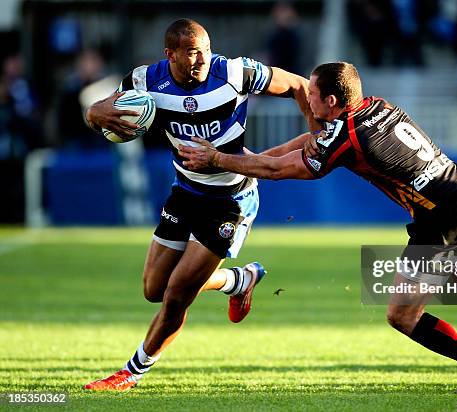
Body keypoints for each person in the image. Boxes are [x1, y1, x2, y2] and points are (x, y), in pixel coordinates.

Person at [178, 61, 457, 394]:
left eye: (311, 94)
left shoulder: (348, 137)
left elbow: (280, 170)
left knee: (402, 315)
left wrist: (217, 159)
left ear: (330, 101)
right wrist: (250, 159)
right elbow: (309, 143)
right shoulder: (376, 107)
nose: (305, 99)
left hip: (443, 216)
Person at [82, 18, 318, 391]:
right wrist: (94, 115)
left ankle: (131, 372)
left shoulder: (235, 72)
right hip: (186, 192)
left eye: (205, 51)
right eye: (192, 54)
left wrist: (318, 130)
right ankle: (240, 280)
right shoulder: (145, 81)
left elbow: (298, 85)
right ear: (170, 54)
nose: (202, 60)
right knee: (154, 289)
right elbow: (100, 109)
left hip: (231, 199)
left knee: (176, 295)